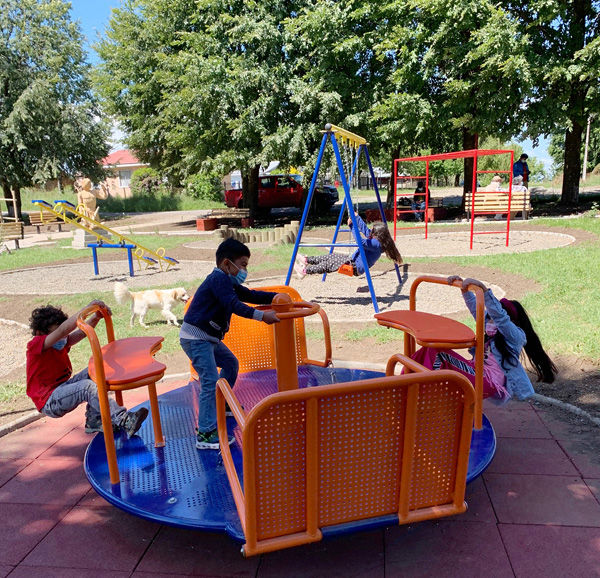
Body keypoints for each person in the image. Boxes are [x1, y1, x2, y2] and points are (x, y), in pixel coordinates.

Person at [180, 238, 280, 450]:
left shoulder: (229, 282)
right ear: (227, 264)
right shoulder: (218, 280)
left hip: (208, 338)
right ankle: (205, 434)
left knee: (231, 364)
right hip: (196, 339)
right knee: (209, 379)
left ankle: (222, 401)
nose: (244, 270)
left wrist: (278, 297)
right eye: (242, 265)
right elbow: (234, 305)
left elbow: (250, 294)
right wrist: (262, 316)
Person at [411, 276, 557, 402]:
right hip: (477, 372)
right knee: (427, 350)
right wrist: (464, 288)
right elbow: (476, 309)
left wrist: (484, 290)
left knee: (439, 353)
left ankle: (423, 395)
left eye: (492, 318)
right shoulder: (490, 329)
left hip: (488, 382)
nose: (489, 320)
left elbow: (501, 319)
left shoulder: (514, 336)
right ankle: (405, 384)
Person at [26, 300, 149, 437]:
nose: (64, 338)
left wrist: (96, 317)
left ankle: (94, 419)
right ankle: (124, 420)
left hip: (61, 388)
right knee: (86, 387)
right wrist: (87, 307)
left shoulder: (59, 343)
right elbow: (63, 330)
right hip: (49, 400)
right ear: (40, 332)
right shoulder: (36, 345)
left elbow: (81, 333)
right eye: (59, 334)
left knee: (96, 369)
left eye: (64, 336)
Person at [294, 213, 403, 278]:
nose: (371, 233)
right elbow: (366, 231)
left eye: (373, 232)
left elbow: (362, 242)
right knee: (330, 256)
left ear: (378, 235)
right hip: (352, 261)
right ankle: (307, 260)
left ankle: (305, 271)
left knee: (330, 264)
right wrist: (357, 218)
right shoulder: (377, 240)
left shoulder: (377, 244)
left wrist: (352, 226)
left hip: (355, 267)